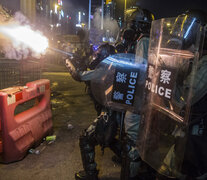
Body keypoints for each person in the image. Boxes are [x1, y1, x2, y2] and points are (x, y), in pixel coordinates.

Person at [120, 9, 155, 180]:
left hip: (139, 98)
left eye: (132, 23)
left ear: (138, 25)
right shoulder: (149, 40)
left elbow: (140, 71)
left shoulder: (143, 41)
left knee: (132, 141)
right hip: (145, 97)